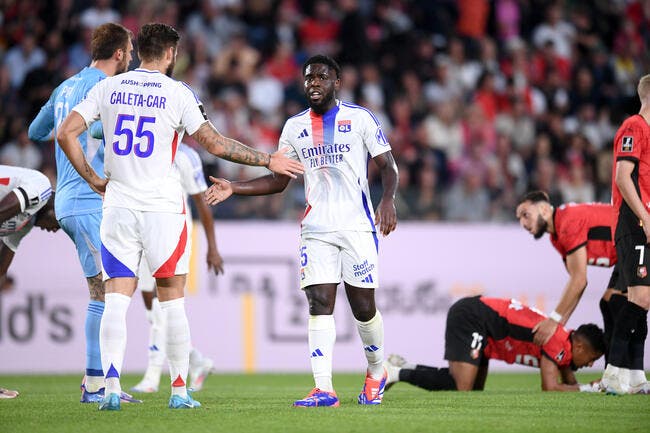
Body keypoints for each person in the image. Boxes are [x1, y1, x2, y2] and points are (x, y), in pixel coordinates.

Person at [56, 23, 303, 411]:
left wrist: (92, 178)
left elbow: (65, 133)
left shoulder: (106, 88)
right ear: (171, 54)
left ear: (137, 51)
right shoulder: (177, 92)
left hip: (118, 206)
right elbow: (215, 143)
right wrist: (268, 158)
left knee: (117, 300)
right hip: (162, 211)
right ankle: (178, 391)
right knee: (172, 302)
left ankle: (110, 389)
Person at [205, 54, 399, 407]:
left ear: (336, 81)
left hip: (357, 226)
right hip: (316, 228)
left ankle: (376, 372)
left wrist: (388, 200)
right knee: (319, 302)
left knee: (363, 307)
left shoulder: (360, 119)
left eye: (321, 77)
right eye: (309, 78)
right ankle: (324, 388)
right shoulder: (294, 127)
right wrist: (236, 186)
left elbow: (388, 165)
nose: (314, 83)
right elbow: (279, 180)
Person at [27, 22, 141, 405]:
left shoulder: (65, 86)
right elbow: (91, 134)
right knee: (106, 292)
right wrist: (94, 171)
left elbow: (36, 130)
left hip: (68, 201)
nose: (132, 57)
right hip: (88, 200)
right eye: (130, 50)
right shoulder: (105, 89)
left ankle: (99, 381)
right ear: (121, 54)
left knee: (106, 290)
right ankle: (96, 384)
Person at [130, 142, 224, 394]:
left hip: (173, 235)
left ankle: (152, 377)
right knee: (153, 308)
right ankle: (197, 361)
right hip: (143, 229)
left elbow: (202, 202)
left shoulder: (186, 156)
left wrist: (212, 246)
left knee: (164, 306)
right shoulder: (144, 146)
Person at [383, 296, 605, 392]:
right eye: (592, 358)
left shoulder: (563, 343)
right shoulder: (558, 342)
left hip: (485, 325)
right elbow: (551, 388)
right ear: (579, 347)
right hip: (474, 316)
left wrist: (588, 387)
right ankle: (395, 373)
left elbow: (568, 382)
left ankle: (405, 366)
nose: (589, 364)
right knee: (462, 386)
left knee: (473, 388)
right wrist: (592, 389)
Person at [515, 191, 627, 363]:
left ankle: (627, 373)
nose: (522, 223)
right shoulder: (556, 236)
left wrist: (553, 321)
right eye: (519, 218)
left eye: (525, 215)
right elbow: (578, 285)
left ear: (544, 209)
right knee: (609, 304)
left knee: (617, 304)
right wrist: (559, 325)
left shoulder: (567, 222)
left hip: (637, 242)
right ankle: (614, 374)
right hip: (626, 254)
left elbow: (579, 280)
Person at [602, 74, 650, 394]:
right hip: (633, 222)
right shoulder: (634, 126)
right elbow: (623, 176)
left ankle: (634, 375)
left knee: (640, 300)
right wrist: (645, 217)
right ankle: (612, 372)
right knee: (641, 298)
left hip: (642, 220)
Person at [0, 164, 60, 399]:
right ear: (57, 207)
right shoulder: (41, 186)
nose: (55, 230)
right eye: (60, 223)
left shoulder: (25, 224)